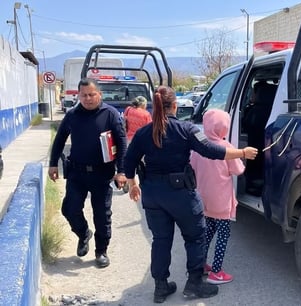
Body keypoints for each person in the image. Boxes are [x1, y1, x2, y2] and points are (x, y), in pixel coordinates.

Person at [124, 85, 258, 303]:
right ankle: (194, 284)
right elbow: (212, 151)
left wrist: (133, 184)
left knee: (161, 240)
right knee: (195, 237)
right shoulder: (186, 129)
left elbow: (128, 162)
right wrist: (242, 152)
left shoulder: (143, 133)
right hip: (181, 194)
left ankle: (161, 287)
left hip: (153, 195)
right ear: (175, 106)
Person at [48, 78, 127, 269]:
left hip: (102, 173)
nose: (88, 98)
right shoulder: (73, 115)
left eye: (92, 94)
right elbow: (59, 140)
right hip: (77, 173)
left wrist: (122, 171)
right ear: (78, 95)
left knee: (102, 215)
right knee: (69, 209)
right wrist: (52, 164)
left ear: (99, 94)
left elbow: (122, 143)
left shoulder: (110, 114)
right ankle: (83, 233)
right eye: (84, 95)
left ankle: (101, 251)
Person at [190, 109, 245, 285]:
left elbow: (191, 168)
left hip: (203, 199)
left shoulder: (198, 147)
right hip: (221, 201)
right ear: (224, 127)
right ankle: (216, 272)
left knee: (207, 232)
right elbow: (238, 170)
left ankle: (201, 265)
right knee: (223, 234)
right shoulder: (226, 148)